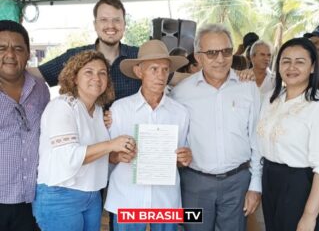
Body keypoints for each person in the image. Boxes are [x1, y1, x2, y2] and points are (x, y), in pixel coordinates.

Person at [32, 50, 136, 231]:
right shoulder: (62, 106)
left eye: (102, 73)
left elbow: (97, 154)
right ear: (74, 78)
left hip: (92, 195)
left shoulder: (98, 110)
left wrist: (115, 157)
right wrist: (112, 144)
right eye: (89, 72)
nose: (96, 77)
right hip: (60, 195)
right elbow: (69, 157)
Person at [171, 23, 262, 231]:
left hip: (237, 184)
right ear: (198, 57)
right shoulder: (181, 93)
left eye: (226, 51)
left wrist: (255, 186)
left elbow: (257, 139)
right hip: (194, 185)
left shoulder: (248, 88)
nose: (220, 59)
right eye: (211, 53)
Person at [105, 40, 192, 231]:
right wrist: (118, 156)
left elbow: (178, 158)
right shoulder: (119, 110)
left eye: (165, 69)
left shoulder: (180, 113)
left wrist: (184, 157)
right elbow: (106, 156)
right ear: (139, 72)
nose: (161, 75)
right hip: (127, 197)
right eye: (153, 69)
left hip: (165, 199)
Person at [257, 37, 319, 231]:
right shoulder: (270, 99)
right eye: (286, 61)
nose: (291, 67)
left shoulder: (316, 106)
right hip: (269, 178)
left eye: (300, 62)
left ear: (312, 67)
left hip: (299, 185)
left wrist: (309, 215)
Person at [28, 0, 141, 100]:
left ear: (124, 24)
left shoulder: (139, 56)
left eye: (116, 20)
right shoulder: (76, 57)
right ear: (95, 25)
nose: (110, 25)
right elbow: (37, 74)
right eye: (103, 20)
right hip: (85, 122)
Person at [0, 20, 50, 231]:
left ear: (28, 53)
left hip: (32, 198)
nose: (10, 54)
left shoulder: (40, 88)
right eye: (2, 48)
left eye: (18, 48)